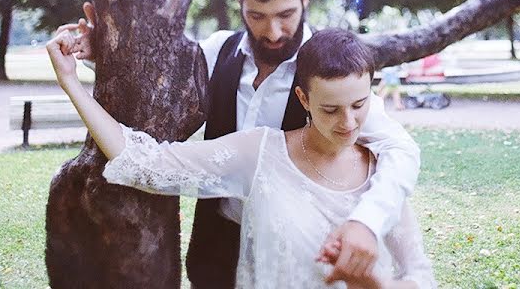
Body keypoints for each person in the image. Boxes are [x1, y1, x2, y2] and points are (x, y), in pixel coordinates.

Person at [62, 0, 420, 288]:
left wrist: (367, 221)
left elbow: (400, 151)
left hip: (300, 246)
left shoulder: (333, 76)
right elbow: (160, 86)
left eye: (286, 14)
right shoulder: (218, 50)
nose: (274, 31)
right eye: (257, 15)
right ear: (240, 2)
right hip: (216, 247)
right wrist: (102, 55)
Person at [47, 27, 436, 289]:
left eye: (359, 104)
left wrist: (375, 285)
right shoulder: (260, 153)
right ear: (303, 98)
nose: (348, 122)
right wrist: (72, 84)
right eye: (331, 109)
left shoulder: (384, 173)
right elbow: (149, 164)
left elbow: (418, 275)